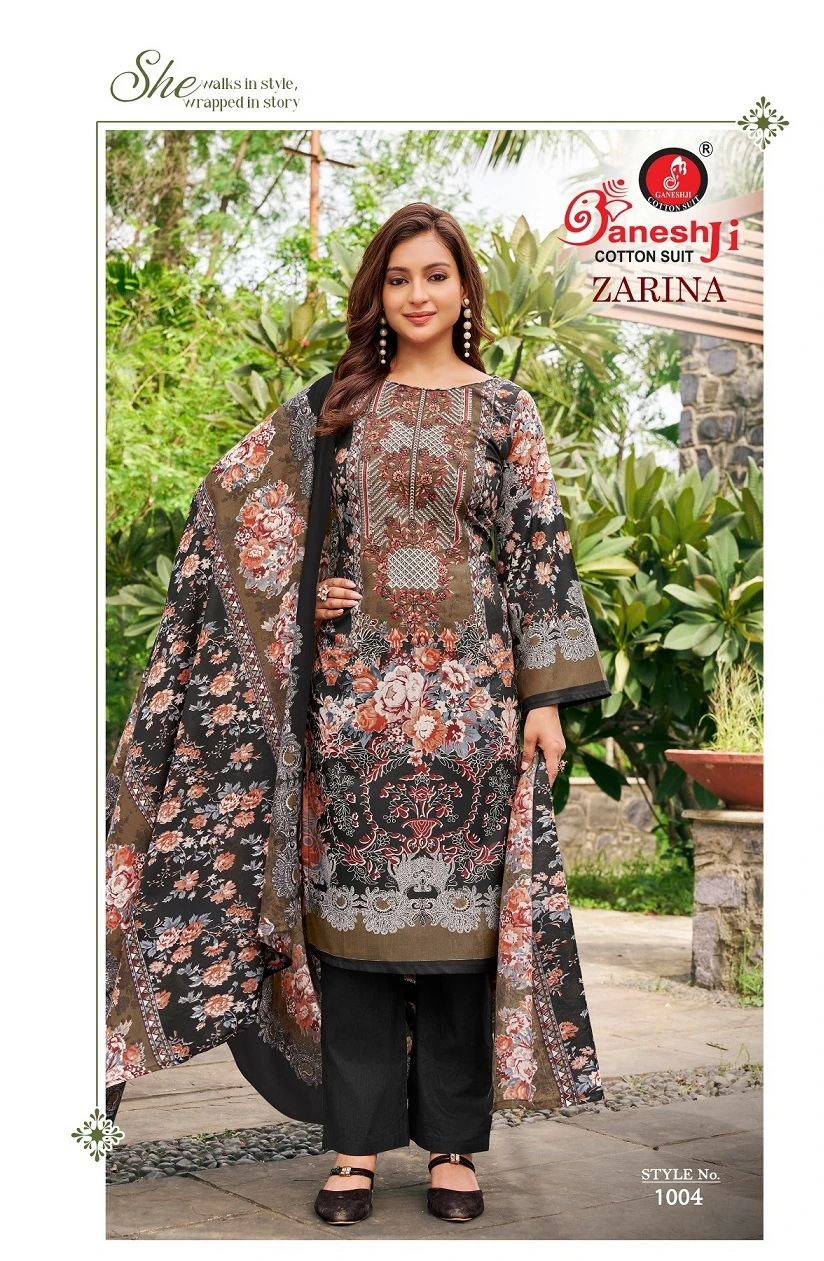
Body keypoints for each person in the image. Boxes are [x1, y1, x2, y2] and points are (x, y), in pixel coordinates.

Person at [104, 202, 610, 1230]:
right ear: (376, 294)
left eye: (435, 275)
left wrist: (546, 701)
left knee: (463, 946)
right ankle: (353, 1149)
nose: (417, 295)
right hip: (352, 715)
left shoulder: (506, 411)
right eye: (397, 278)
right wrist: (306, 589)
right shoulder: (333, 409)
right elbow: (233, 511)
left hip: (472, 715)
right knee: (353, 946)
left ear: (464, 290)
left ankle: (454, 1148)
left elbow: (538, 553)